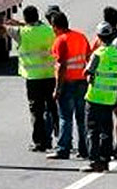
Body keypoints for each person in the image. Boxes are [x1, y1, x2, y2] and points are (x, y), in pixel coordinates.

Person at [0, 6, 58, 152]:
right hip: (50, 75)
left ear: (25, 19)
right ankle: (59, 135)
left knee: (36, 111)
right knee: (52, 108)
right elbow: (34, 28)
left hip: (33, 78)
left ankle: (40, 142)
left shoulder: (21, 33)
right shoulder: (49, 30)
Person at [90, 7, 117, 161]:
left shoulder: (111, 42)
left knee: (106, 121)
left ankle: (114, 148)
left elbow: (91, 62)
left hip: (107, 88)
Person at [47, 11, 90, 160]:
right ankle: (85, 149)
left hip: (67, 83)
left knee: (65, 118)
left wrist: (57, 88)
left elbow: (61, 66)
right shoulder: (80, 36)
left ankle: (63, 149)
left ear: (55, 26)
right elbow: (88, 57)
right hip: (82, 81)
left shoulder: (60, 40)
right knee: (81, 117)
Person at [81, 21, 117, 172]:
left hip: (94, 97)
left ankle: (94, 161)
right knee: (107, 130)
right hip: (110, 97)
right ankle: (105, 160)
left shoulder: (98, 54)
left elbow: (87, 72)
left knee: (92, 130)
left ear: (99, 37)